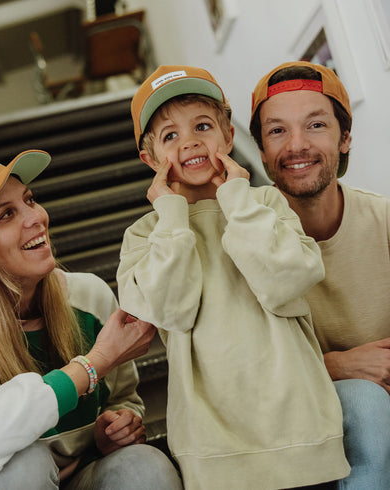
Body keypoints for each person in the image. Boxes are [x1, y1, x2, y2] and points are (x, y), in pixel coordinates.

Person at [116, 64, 350, 490]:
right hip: (215, 450)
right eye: (170, 136)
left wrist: (237, 202)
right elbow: (171, 309)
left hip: (301, 432)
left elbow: (288, 281)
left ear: (227, 134)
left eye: (202, 126)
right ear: (149, 159)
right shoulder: (146, 235)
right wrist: (172, 217)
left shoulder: (264, 203)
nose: (189, 141)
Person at [0, 149, 183, 489]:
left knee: (143, 466)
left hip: (83, 477)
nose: (35, 217)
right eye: (6, 215)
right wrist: (93, 364)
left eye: (29, 200)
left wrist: (117, 425)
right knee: (22, 465)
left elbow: (122, 398)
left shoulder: (88, 296)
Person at [249, 60, 390, 489]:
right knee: (363, 401)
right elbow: (240, 372)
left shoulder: (384, 222)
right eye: (277, 131)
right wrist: (335, 365)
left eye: (315, 125)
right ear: (260, 150)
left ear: (345, 138)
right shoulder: (242, 238)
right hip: (288, 431)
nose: (296, 146)